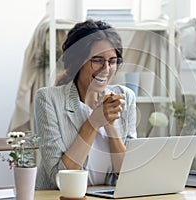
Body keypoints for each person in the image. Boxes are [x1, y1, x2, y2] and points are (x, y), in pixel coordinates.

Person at [33, 20, 137, 190]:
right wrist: (94, 122)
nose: (106, 68)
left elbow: (128, 175)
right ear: (76, 61)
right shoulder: (48, 99)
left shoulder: (125, 97)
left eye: (112, 61)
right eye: (97, 60)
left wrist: (110, 126)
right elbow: (59, 178)